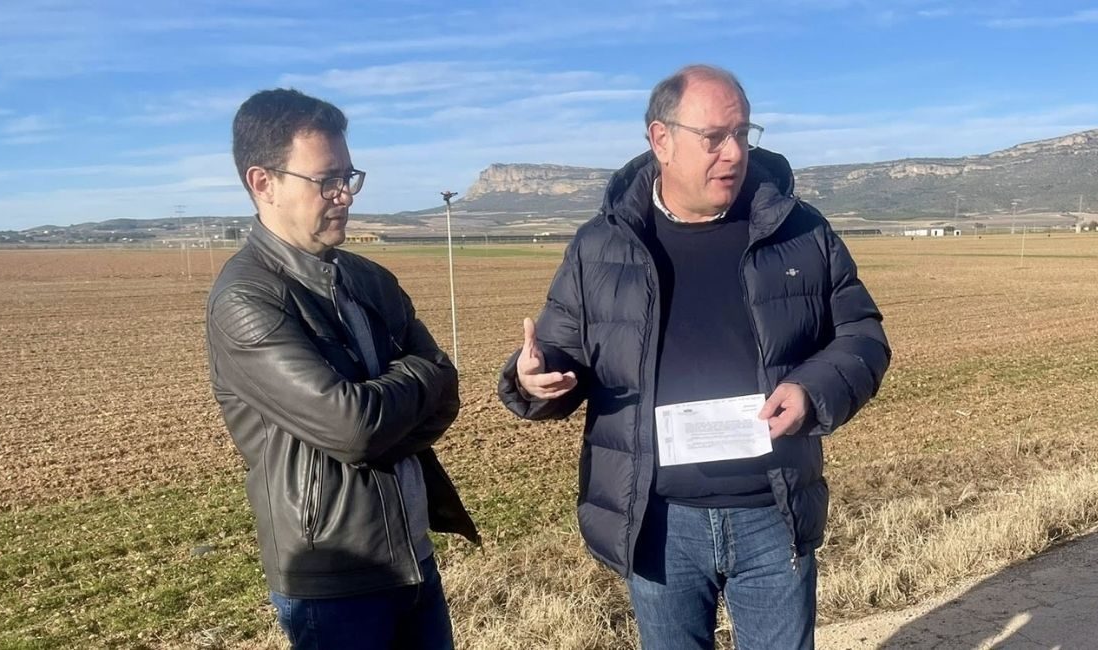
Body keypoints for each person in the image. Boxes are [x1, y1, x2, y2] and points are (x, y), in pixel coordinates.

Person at [498, 65, 890, 649]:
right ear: (661, 140)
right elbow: (563, 351)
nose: (733, 153)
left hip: (772, 511)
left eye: (743, 133)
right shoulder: (602, 245)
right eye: (714, 137)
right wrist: (532, 379)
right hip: (658, 522)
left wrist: (812, 390)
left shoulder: (801, 231)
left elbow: (861, 336)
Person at [207, 88, 478, 650]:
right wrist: (416, 382)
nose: (344, 196)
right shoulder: (248, 299)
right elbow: (354, 427)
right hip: (333, 579)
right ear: (264, 183)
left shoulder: (368, 279)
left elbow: (445, 391)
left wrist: (398, 404)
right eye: (326, 179)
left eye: (349, 177)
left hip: (412, 555)